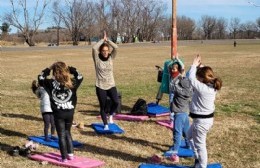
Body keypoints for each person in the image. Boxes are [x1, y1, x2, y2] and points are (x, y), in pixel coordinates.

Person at [38, 61, 83, 162]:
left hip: (58, 114)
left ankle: (64, 157)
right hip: (70, 113)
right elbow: (80, 76)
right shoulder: (72, 82)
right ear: (66, 71)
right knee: (68, 132)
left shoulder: (50, 84)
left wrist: (49, 68)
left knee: (61, 135)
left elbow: (40, 77)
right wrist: (71, 69)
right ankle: (70, 154)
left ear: (54, 72)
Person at [187, 55, 222, 168]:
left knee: (200, 145)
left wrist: (193, 64)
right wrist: (200, 66)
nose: (197, 79)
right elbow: (204, 73)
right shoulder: (211, 85)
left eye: (199, 78)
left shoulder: (203, 88)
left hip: (201, 123)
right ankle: (197, 158)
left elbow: (191, 79)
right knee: (188, 136)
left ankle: (202, 166)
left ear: (202, 79)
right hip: (202, 121)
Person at [92, 32, 119, 130]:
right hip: (100, 85)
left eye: (107, 50)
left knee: (116, 102)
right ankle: (105, 124)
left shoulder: (111, 57)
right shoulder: (97, 59)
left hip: (111, 84)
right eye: (103, 50)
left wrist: (108, 41)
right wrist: (102, 41)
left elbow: (116, 48)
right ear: (101, 51)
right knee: (102, 106)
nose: (105, 52)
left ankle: (111, 115)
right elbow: (94, 48)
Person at [168, 59, 192, 163]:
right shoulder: (187, 87)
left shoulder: (179, 88)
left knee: (177, 132)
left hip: (179, 113)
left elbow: (174, 86)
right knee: (186, 131)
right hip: (185, 112)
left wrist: (180, 76)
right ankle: (188, 145)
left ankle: (175, 152)